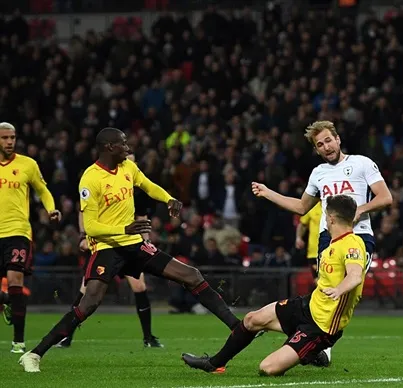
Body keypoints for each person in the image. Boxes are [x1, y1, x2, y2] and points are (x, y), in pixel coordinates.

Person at [19, 127, 240, 372]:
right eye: (123, 144)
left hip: (134, 246)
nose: (128, 148)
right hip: (107, 248)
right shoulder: (90, 178)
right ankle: (35, 354)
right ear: (109, 147)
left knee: (192, 275)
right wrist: (125, 228)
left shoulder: (128, 168)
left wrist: (168, 199)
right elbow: (91, 227)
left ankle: (237, 327)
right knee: (88, 304)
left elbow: (148, 185)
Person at [251, 120, 392, 366]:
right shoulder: (319, 173)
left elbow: (385, 197)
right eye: (320, 144)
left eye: (328, 140)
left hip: (358, 236)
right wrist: (267, 192)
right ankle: (319, 347)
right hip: (328, 237)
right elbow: (301, 207)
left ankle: (318, 342)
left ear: (337, 139)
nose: (326, 147)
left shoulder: (362, 163)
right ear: (317, 150)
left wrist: (360, 210)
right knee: (323, 290)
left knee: (345, 289)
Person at [182, 195, 368, 376]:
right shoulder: (333, 244)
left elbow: (354, 276)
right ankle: (214, 364)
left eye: (326, 215)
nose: (325, 219)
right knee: (251, 320)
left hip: (322, 327)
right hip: (308, 305)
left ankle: (311, 351)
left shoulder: (352, 244)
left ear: (332, 218)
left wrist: (338, 290)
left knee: (267, 368)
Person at [56, 154, 163, 348]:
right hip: (105, 244)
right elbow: (85, 212)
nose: (129, 163)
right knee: (87, 290)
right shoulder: (99, 180)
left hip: (129, 245)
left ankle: (148, 338)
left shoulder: (136, 189)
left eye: (133, 160)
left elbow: (142, 217)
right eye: (126, 159)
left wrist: (146, 242)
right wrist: (83, 236)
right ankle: (66, 336)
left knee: (139, 287)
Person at [0, 122, 61, 354]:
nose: (9, 142)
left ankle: (18, 341)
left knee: (16, 280)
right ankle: (6, 298)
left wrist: (50, 208)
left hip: (18, 232)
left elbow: (43, 190)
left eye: (12, 137)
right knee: (10, 291)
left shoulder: (28, 164)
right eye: (5, 138)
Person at [295, 201, 323, 281]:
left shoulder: (333, 207)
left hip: (331, 250)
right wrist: (298, 238)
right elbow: (303, 224)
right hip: (314, 252)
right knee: (317, 282)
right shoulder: (312, 207)